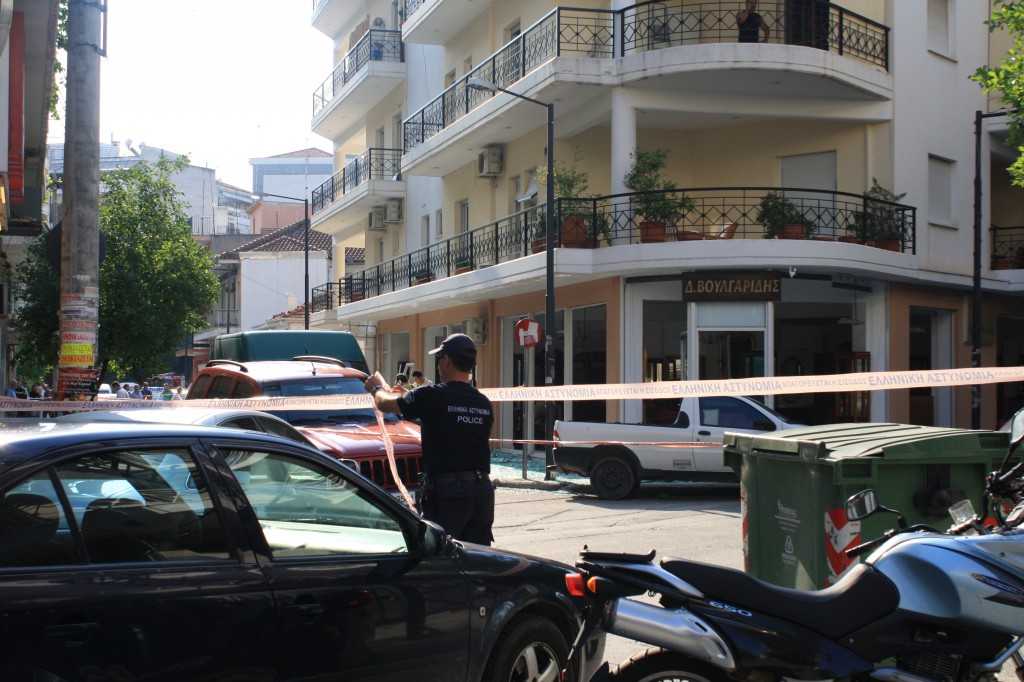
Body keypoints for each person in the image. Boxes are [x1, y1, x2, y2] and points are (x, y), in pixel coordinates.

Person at [365, 333, 495, 545]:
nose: (439, 364)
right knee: (477, 557)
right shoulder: (483, 402)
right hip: (482, 493)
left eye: (439, 359)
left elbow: (384, 403)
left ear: (446, 360)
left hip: (450, 495)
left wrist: (376, 388)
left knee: (437, 553)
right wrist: (408, 396)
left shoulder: (430, 395)